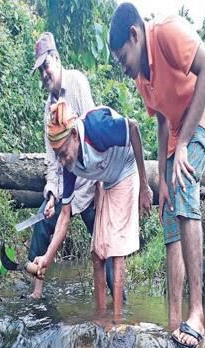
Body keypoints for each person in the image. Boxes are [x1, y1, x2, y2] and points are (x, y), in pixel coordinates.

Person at [108, 2, 205, 348]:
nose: (122, 67)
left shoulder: (167, 32)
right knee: (169, 211)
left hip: (201, 112)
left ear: (135, 35)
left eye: (122, 56)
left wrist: (184, 144)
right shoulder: (143, 78)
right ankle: (174, 321)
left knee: (185, 185)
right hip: (174, 131)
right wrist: (160, 178)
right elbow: (159, 121)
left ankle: (197, 313)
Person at [30, 100, 153, 323]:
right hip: (107, 181)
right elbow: (64, 217)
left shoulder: (97, 128)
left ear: (75, 136)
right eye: (57, 154)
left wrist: (144, 186)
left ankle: (116, 322)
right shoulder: (69, 165)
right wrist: (47, 257)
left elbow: (133, 127)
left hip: (126, 171)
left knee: (115, 252)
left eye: (64, 151)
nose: (62, 159)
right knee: (97, 254)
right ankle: (100, 318)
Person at [29, 32, 125, 303]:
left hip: (89, 180)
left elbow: (93, 133)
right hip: (65, 185)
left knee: (103, 243)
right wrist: (50, 195)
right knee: (42, 223)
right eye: (40, 72)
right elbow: (52, 161)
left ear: (56, 58)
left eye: (46, 66)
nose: (44, 75)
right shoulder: (48, 108)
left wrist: (101, 187)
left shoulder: (77, 82)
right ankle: (36, 293)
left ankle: (120, 303)